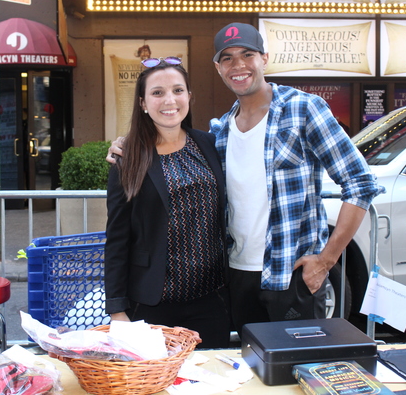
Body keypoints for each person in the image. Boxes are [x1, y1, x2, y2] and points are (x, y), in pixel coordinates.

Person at [108, 23, 384, 336]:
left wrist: (326, 260)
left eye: (247, 54)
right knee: (249, 377)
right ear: (218, 67)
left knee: (294, 375)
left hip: (290, 277)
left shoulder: (303, 109)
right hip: (235, 279)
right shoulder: (220, 132)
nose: (238, 65)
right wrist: (127, 144)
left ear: (264, 58)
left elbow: (360, 182)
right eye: (227, 58)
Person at [104, 57, 231, 349]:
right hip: (152, 304)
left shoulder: (210, 145)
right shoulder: (128, 159)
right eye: (157, 92)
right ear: (143, 103)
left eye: (177, 90)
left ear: (189, 97)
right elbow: (117, 240)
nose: (169, 100)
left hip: (211, 300)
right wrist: (116, 309)